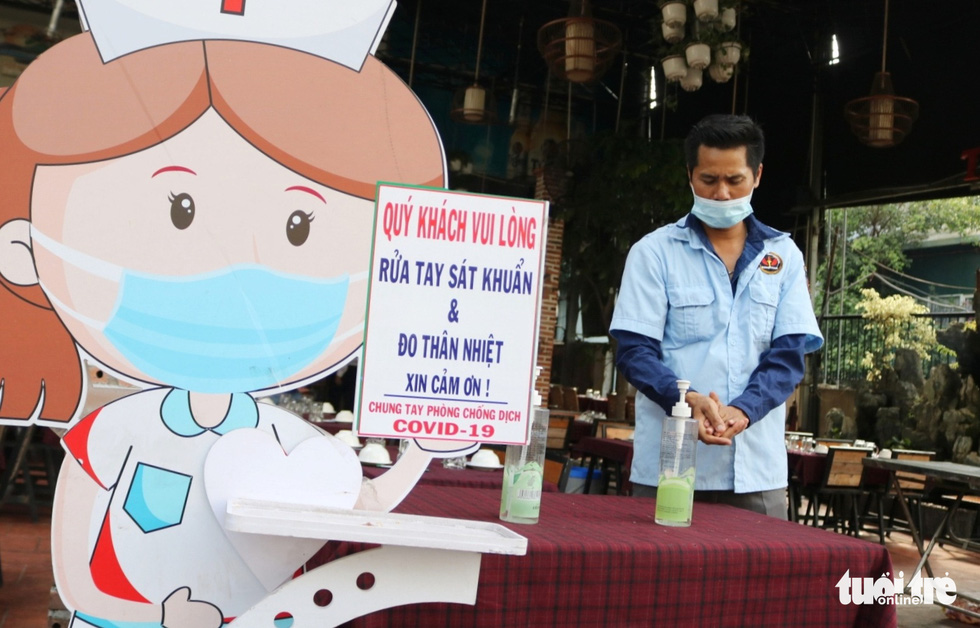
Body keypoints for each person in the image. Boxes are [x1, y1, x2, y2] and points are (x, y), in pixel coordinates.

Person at [0, 32, 469, 626]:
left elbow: (361, 503)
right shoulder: (110, 434)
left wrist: (421, 447)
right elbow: (76, 581)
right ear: (23, 248)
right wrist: (161, 617)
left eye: (300, 225)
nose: (239, 267)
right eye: (180, 209)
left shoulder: (284, 440)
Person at [610, 114, 823, 518]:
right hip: (668, 467)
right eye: (708, 180)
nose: (722, 193)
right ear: (690, 176)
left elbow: (789, 356)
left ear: (757, 176)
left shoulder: (784, 256)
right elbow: (634, 352)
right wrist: (685, 400)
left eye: (734, 180)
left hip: (756, 473)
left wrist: (744, 410)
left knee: (762, 562)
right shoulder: (654, 253)